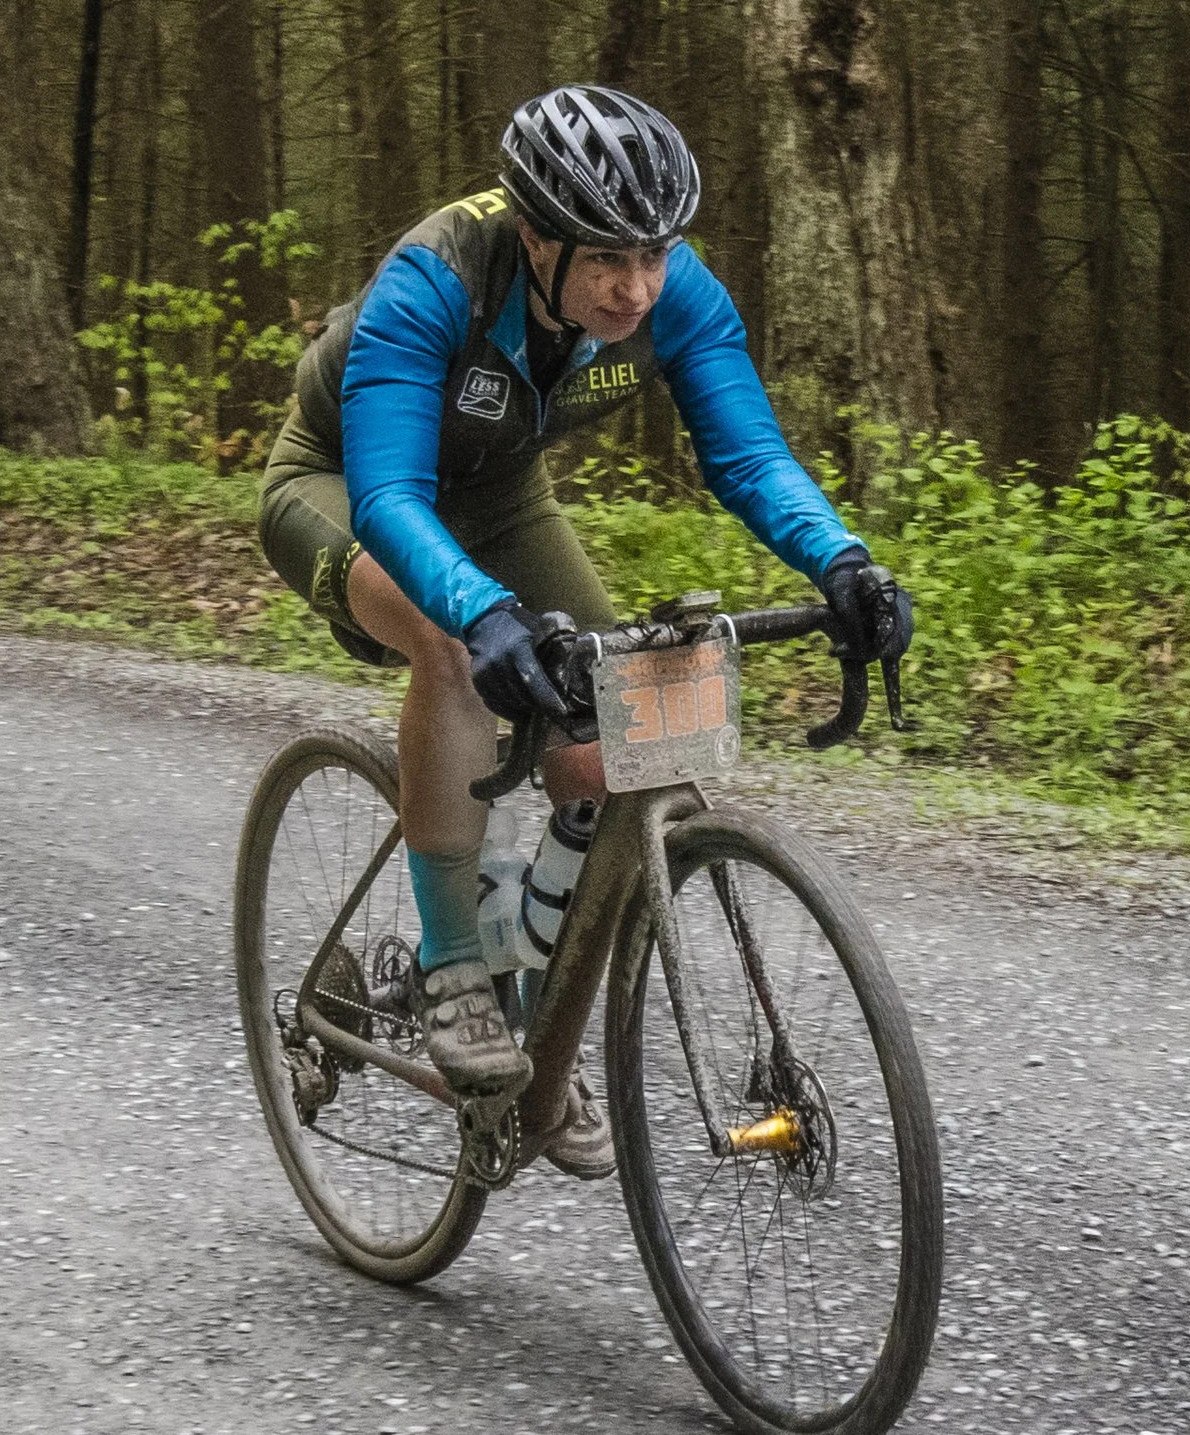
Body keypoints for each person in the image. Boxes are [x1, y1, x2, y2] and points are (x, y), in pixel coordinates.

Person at [257, 84, 912, 1177]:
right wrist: (481, 611)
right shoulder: (436, 281)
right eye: (607, 260)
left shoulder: (673, 296)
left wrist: (840, 559)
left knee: (621, 754)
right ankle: (457, 966)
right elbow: (387, 496)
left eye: (653, 254)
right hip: (343, 486)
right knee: (455, 650)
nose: (635, 286)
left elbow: (746, 458)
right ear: (536, 234)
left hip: (498, 495)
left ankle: (543, 1054)